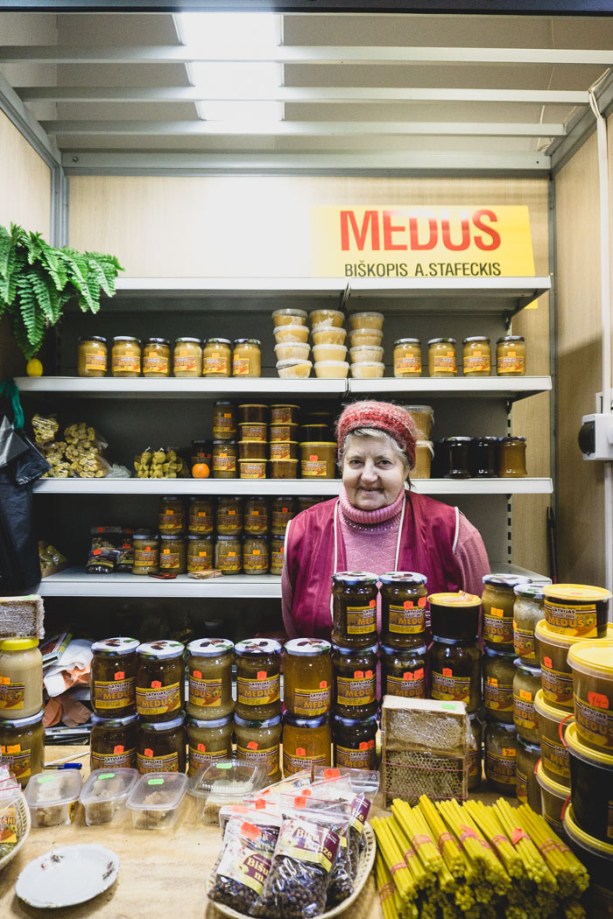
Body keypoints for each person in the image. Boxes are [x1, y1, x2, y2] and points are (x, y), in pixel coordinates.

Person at [282, 400, 490, 639]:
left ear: (407, 468)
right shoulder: (303, 531)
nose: (368, 476)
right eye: (356, 462)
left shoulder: (452, 530)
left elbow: (481, 631)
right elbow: (294, 633)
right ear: (341, 466)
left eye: (383, 462)